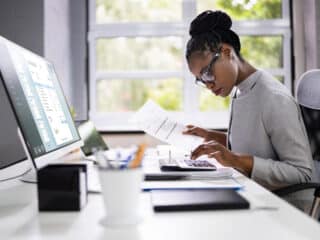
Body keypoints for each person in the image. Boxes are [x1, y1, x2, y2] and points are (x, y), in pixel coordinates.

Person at [182, 10, 317, 193]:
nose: (208, 85)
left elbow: (302, 173)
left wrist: (236, 160)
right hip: (253, 193)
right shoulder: (239, 89)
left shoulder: (273, 98)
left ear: (226, 52)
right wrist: (210, 136)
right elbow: (255, 146)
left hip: (284, 206)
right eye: (201, 80)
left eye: (207, 73)